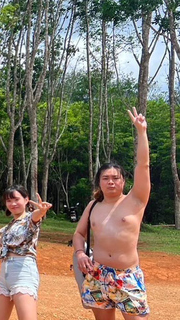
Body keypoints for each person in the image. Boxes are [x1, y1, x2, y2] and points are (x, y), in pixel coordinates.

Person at [73, 107, 150, 319]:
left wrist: (141, 133)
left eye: (116, 178)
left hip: (127, 275)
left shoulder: (135, 200)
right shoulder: (93, 205)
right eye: (106, 178)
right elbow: (79, 234)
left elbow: (143, 165)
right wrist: (80, 253)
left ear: (124, 181)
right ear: (99, 181)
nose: (111, 181)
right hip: (98, 274)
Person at [0, 185, 52, 320]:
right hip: (4, 274)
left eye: (16, 199)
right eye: (8, 200)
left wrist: (41, 211)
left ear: (26, 200)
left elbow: (36, 217)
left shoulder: (30, 220)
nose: (12, 204)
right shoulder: (6, 228)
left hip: (23, 271)